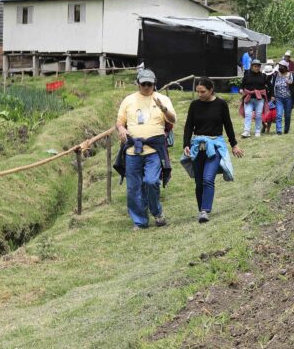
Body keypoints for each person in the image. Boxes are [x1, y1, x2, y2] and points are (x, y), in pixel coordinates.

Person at [115, 69, 176, 230]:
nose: (147, 87)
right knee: (133, 187)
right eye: (143, 84)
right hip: (133, 150)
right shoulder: (128, 100)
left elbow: (173, 119)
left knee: (151, 181)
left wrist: (163, 109)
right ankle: (140, 221)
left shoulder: (162, 99)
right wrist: (121, 129)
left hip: (154, 150)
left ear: (154, 84)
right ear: (138, 83)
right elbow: (120, 121)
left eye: (150, 84)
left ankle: (156, 212)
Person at [181, 77, 244, 223]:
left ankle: (205, 210)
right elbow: (189, 126)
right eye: (197, 92)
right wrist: (186, 144)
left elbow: (228, 125)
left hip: (214, 145)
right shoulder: (194, 105)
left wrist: (234, 144)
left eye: (203, 91)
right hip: (198, 146)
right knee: (198, 182)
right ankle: (201, 209)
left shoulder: (221, 104)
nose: (200, 94)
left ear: (211, 90)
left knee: (208, 178)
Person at [239, 62, 270, 138]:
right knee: (248, 114)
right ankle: (246, 131)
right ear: (252, 67)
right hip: (248, 98)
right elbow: (242, 85)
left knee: (258, 115)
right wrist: (241, 90)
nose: (257, 68)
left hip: (259, 99)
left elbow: (269, 86)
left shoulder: (263, 76)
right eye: (255, 66)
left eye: (258, 66)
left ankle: (257, 131)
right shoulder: (247, 76)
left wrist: (270, 95)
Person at [272, 60, 294, 134]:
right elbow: (272, 86)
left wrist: (292, 83)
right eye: (279, 66)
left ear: (285, 67)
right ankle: (279, 130)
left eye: (282, 66)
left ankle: (286, 129)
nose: (280, 68)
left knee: (287, 115)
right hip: (278, 98)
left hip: (288, 98)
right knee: (279, 115)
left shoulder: (291, 75)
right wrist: (272, 96)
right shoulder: (276, 75)